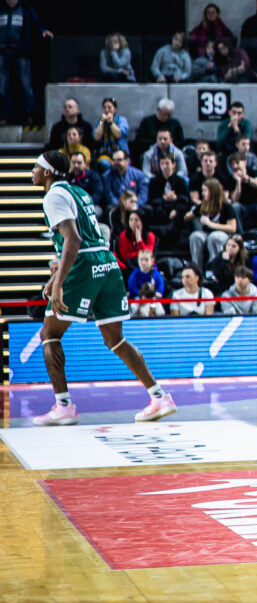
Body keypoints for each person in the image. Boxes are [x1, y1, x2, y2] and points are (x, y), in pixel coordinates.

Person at [30, 150, 175, 425]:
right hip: (107, 262)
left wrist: (59, 283)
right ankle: (160, 397)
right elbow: (84, 238)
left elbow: (73, 240)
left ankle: (63, 406)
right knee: (115, 339)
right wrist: (55, 277)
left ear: (47, 172)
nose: (32, 172)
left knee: (49, 334)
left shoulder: (52, 196)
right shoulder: (79, 192)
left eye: (36, 167)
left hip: (84, 264)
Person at [1, 0, 53, 125]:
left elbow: (36, 24)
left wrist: (43, 30)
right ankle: (4, 115)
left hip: (20, 52)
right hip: (3, 52)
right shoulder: (2, 11)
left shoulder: (25, 10)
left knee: (25, 85)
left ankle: (31, 115)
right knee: (3, 86)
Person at [185, 178, 237, 270]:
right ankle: (196, 270)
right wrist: (190, 214)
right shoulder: (204, 205)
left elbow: (232, 228)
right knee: (195, 236)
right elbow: (187, 216)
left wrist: (210, 224)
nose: (202, 193)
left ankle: (215, 270)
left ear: (213, 191)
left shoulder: (226, 206)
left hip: (222, 234)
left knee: (214, 237)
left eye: (205, 191)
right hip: (206, 233)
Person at [229, 151, 257, 232]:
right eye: (232, 164)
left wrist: (247, 178)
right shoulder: (231, 179)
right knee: (235, 206)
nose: (235, 166)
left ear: (245, 163)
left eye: (237, 163)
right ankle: (240, 235)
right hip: (242, 207)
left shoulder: (253, 173)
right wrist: (238, 182)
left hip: (256, 205)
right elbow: (234, 200)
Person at [92, 97, 129, 171]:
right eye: (104, 108)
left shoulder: (122, 120)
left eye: (109, 107)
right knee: (104, 163)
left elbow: (118, 134)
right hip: (105, 154)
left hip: (120, 152)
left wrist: (111, 122)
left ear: (115, 109)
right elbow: (96, 137)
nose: (106, 110)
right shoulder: (99, 122)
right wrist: (102, 122)